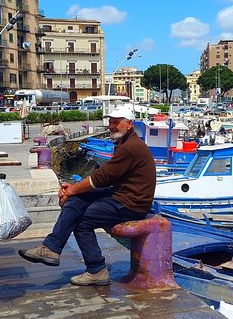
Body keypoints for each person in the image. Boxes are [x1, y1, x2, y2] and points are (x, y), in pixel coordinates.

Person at [19, 105, 156, 286]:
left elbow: (102, 177)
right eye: (110, 122)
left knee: (82, 220)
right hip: (121, 194)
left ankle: (96, 270)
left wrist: (71, 190)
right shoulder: (125, 143)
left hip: (131, 204)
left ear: (129, 124)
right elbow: (106, 177)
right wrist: (73, 190)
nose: (111, 126)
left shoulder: (130, 147)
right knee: (77, 200)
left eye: (116, 122)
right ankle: (51, 248)